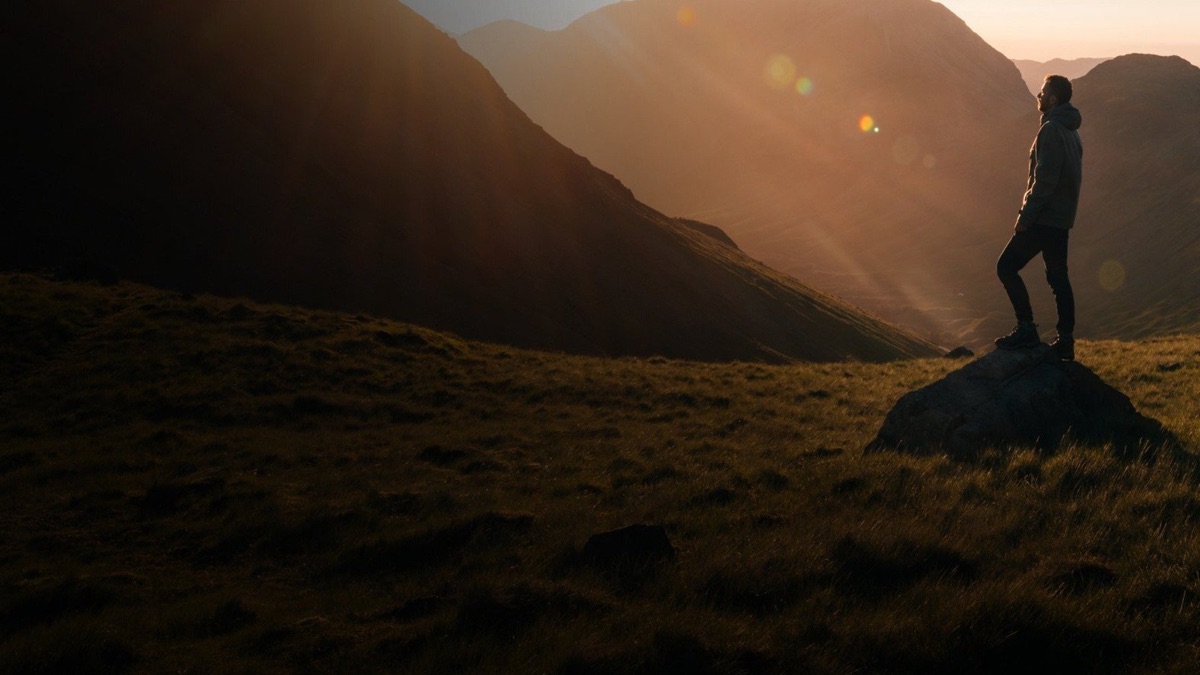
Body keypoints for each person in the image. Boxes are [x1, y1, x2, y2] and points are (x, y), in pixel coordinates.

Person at [994, 74, 1083, 361]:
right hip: (1061, 220)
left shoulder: (1051, 130)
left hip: (1043, 218)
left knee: (1006, 267)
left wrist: (1026, 215)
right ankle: (1066, 341)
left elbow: (1044, 180)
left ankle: (1026, 328)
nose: (1039, 96)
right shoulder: (1072, 132)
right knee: (1058, 279)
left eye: (1043, 93)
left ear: (1053, 99)